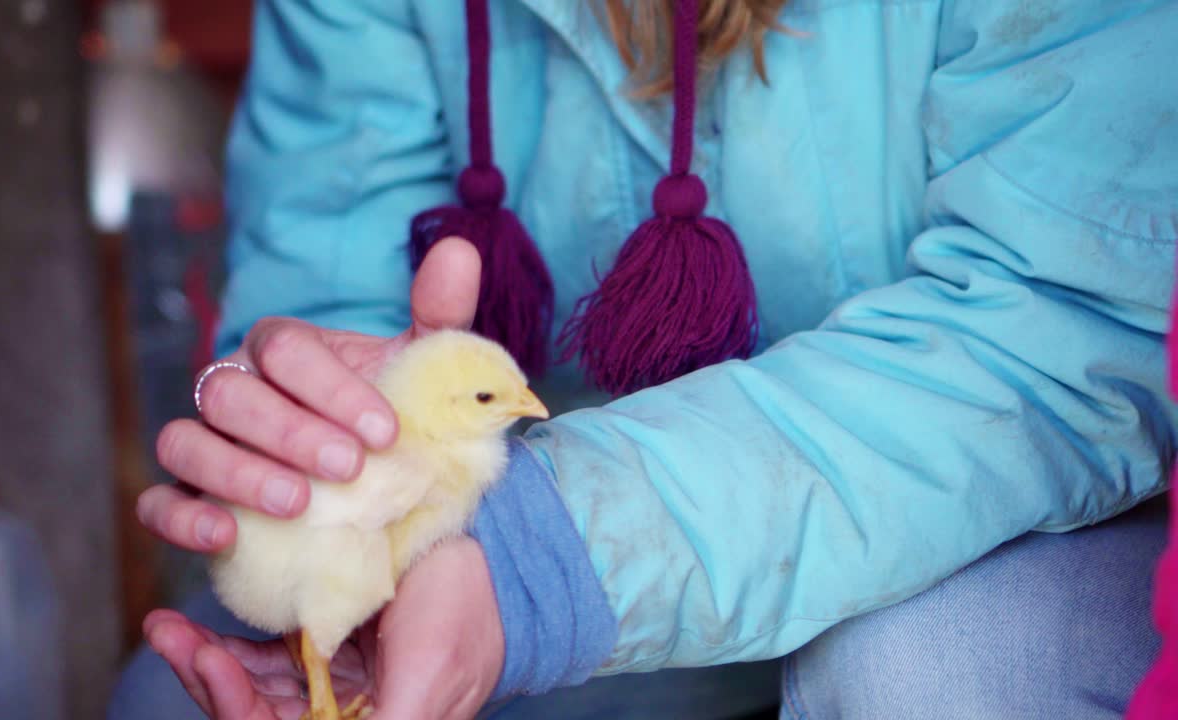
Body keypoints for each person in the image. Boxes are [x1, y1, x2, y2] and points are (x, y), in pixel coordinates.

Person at [111, 0, 1178, 718]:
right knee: (175, 697)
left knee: (932, 675)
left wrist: (540, 563)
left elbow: (1069, 321)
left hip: (989, 530)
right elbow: (328, 281)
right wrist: (307, 427)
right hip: (517, 564)